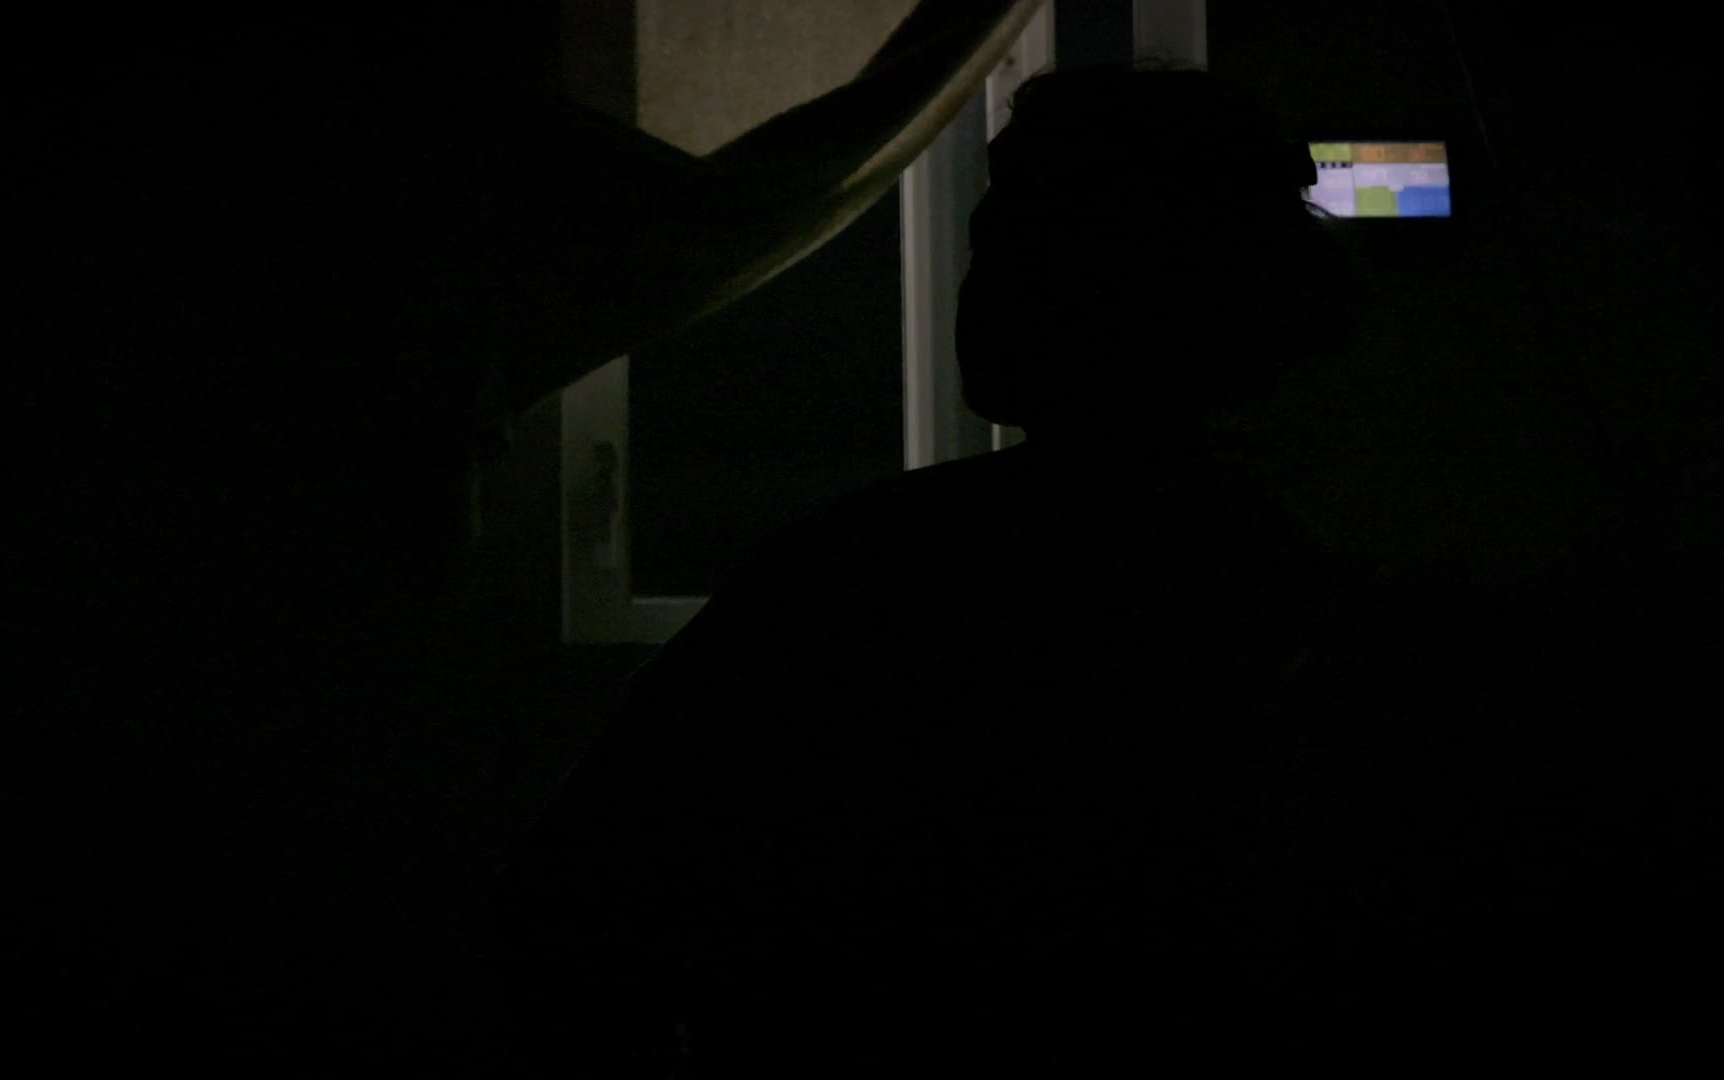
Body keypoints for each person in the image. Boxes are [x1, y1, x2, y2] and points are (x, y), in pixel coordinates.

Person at [487, 65, 1364, 1076]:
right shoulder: (1281, 570)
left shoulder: (878, 573)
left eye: (1011, 242)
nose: (976, 283)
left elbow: (575, 905)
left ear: (1122, 284)